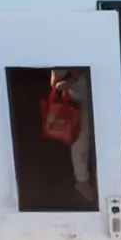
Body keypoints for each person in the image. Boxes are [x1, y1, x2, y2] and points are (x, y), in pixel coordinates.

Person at [51, 69, 96, 203]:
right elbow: (56, 85)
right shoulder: (64, 58)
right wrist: (74, 76)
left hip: (100, 95)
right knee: (81, 141)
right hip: (78, 101)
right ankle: (81, 180)